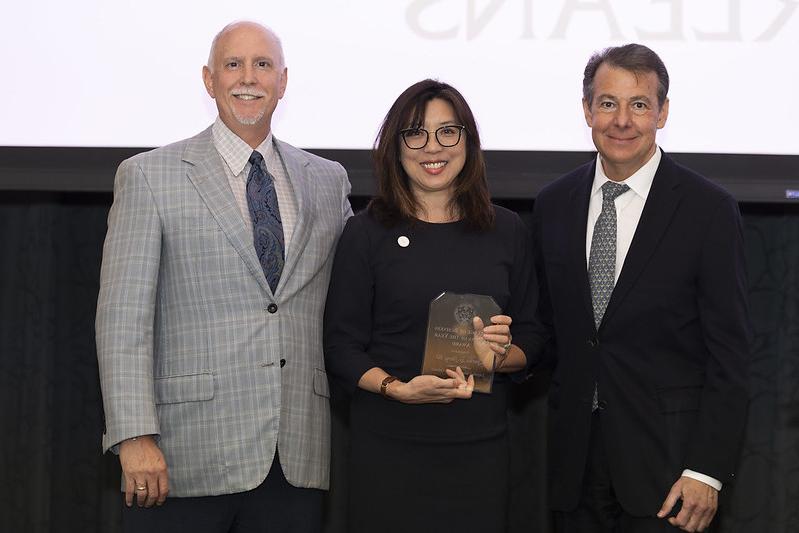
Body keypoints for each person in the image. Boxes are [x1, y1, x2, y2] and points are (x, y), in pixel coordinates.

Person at [95, 21, 352, 533]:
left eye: (262, 65)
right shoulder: (149, 175)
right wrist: (133, 436)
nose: (248, 78)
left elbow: (357, 295)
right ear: (209, 80)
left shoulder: (328, 180)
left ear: (283, 80)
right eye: (233, 65)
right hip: (181, 457)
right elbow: (122, 319)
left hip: (294, 455)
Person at [531, 43, 750, 532]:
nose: (622, 120)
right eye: (608, 103)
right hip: (572, 470)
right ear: (587, 110)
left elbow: (730, 356)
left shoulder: (707, 209)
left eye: (639, 104)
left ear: (663, 112)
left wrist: (707, 471)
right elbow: (549, 331)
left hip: (670, 475)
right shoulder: (553, 204)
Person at [323, 79, 546, 533]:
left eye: (448, 131)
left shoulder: (507, 231)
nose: (432, 147)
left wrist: (500, 356)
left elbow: (535, 340)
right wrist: (396, 389)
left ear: (468, 141)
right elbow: (341, 347)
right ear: (396, 146)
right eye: (415, 133)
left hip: (480, 451)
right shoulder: (366, 234)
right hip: (388, 448)